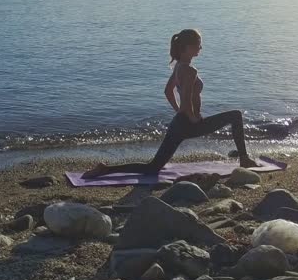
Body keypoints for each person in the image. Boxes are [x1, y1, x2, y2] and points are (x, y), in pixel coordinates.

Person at [82, 29, 258, 178]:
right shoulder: (189, 70)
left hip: (179, 123)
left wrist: (179, 112)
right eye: (198, 44)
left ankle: (106, 169)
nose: (200, 48)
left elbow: (168, 91)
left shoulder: (178, 67)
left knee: (152, 168)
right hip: (189, 123)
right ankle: (244, 158)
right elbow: (187, 98)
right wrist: (192, 117)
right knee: (236, 115)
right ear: (187, 48)